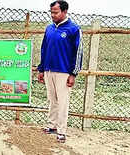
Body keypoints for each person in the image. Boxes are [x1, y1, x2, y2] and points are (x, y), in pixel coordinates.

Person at [37, 0, 83, 143]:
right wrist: (41, 69)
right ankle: (51, 125)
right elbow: (44, 48)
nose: (53, 15)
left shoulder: (74, 29)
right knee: (52, 99)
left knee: (63, 101)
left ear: (64, 11)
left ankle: (62, 131)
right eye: (51, 12)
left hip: (64, 72)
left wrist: (73, 73)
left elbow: (78, 53)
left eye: (55, 12)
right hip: (49, 70)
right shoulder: (49, 28)